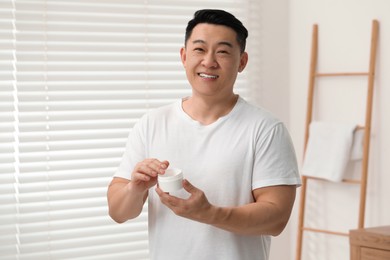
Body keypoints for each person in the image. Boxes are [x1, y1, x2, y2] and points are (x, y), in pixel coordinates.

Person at [107, 9, 301, 260]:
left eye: (222, 51)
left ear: (242, 62)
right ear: (184, 56)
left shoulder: (265, 129)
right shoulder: (151, 123)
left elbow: (276, 218)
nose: (209, 61)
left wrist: (208, 213)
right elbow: (118, 212)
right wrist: (135, 188)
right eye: (199, 49)